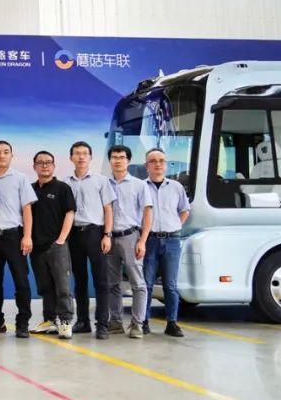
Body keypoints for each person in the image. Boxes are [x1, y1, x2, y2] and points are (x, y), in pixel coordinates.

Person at [0, 141, 36, 338]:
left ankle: (23, 323)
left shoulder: (20, 178)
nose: (2, 155)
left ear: (11, 156)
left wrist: (27, 236)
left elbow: (27, 209)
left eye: (6, 152)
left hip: (14, 236)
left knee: (21, 281)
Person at [66, 141, 115, 339]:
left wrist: (107, 235)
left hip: (96, 233)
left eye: (85, 153)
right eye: (77, 153)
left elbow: (108, 209)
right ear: (71, 157)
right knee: (80, 280)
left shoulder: (101, 181)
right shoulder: (65, 182)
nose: (81, 157)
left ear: (91, 157)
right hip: (74, 234)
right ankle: (83, 321)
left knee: (101, 280)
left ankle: (102, 324)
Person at [142, 148, 191, 337]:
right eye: (153, 161)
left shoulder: (176, 187)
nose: (158, 164)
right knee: (146, 284)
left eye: (161, 160)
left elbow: (185, 209)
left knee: (170, 284)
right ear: (147, 166)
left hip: (171, 240)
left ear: (166, 164)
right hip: (149, 240)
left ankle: (172, 323)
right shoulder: (141, 187)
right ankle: (143, 321)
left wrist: (176, 225)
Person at [106, 145, 152, 339]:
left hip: (131, 237)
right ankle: (115, 322)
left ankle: (137, 324)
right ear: (110, 160)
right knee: (112, 283)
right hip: (109, 238)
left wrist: (142, 240)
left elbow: (148, 213)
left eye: (122, 157)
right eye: (114, 157)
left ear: (128, 161)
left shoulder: (139, 185)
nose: (118, 160)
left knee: (137, 283)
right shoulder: (104, 183)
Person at [28, 151, 75, 340]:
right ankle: (49, 320)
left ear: (54, 166)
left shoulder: (62, 188)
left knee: (62, 287)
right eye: (40, 163)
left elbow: (70, 213)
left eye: (48, 162)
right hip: (36, 247)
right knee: (45, 286)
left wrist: (61, 239)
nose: (45, 165)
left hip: (57, 247)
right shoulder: (30, 189)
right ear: (34, 167)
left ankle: (65, 322)